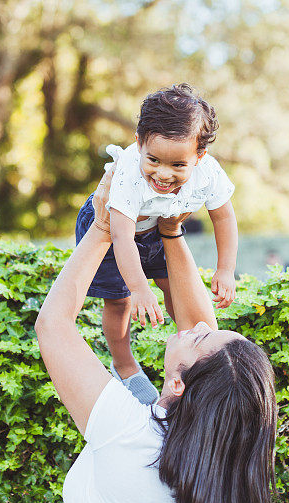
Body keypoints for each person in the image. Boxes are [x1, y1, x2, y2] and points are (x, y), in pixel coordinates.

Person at [36, 169, 277, 503]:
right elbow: (192, 351)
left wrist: (103, 226)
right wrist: (170, 230)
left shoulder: (127, 435)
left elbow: (53, 327)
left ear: (179, 385)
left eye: (198, 338)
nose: (196, 326)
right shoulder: (227, 483)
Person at [75, 83, 239, 404]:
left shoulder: (208, 173)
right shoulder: (127, 174)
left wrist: (225, 269)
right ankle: (125, 366)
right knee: (119, 300)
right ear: (138, 144)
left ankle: (187, 350)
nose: (163, 175)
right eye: (153, 160)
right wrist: (138, 288)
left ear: (199, 156)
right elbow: (120, 236)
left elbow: (224, 218)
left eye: (178, 165)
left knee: (172, 284)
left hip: (153, 228)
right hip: (112, 230)